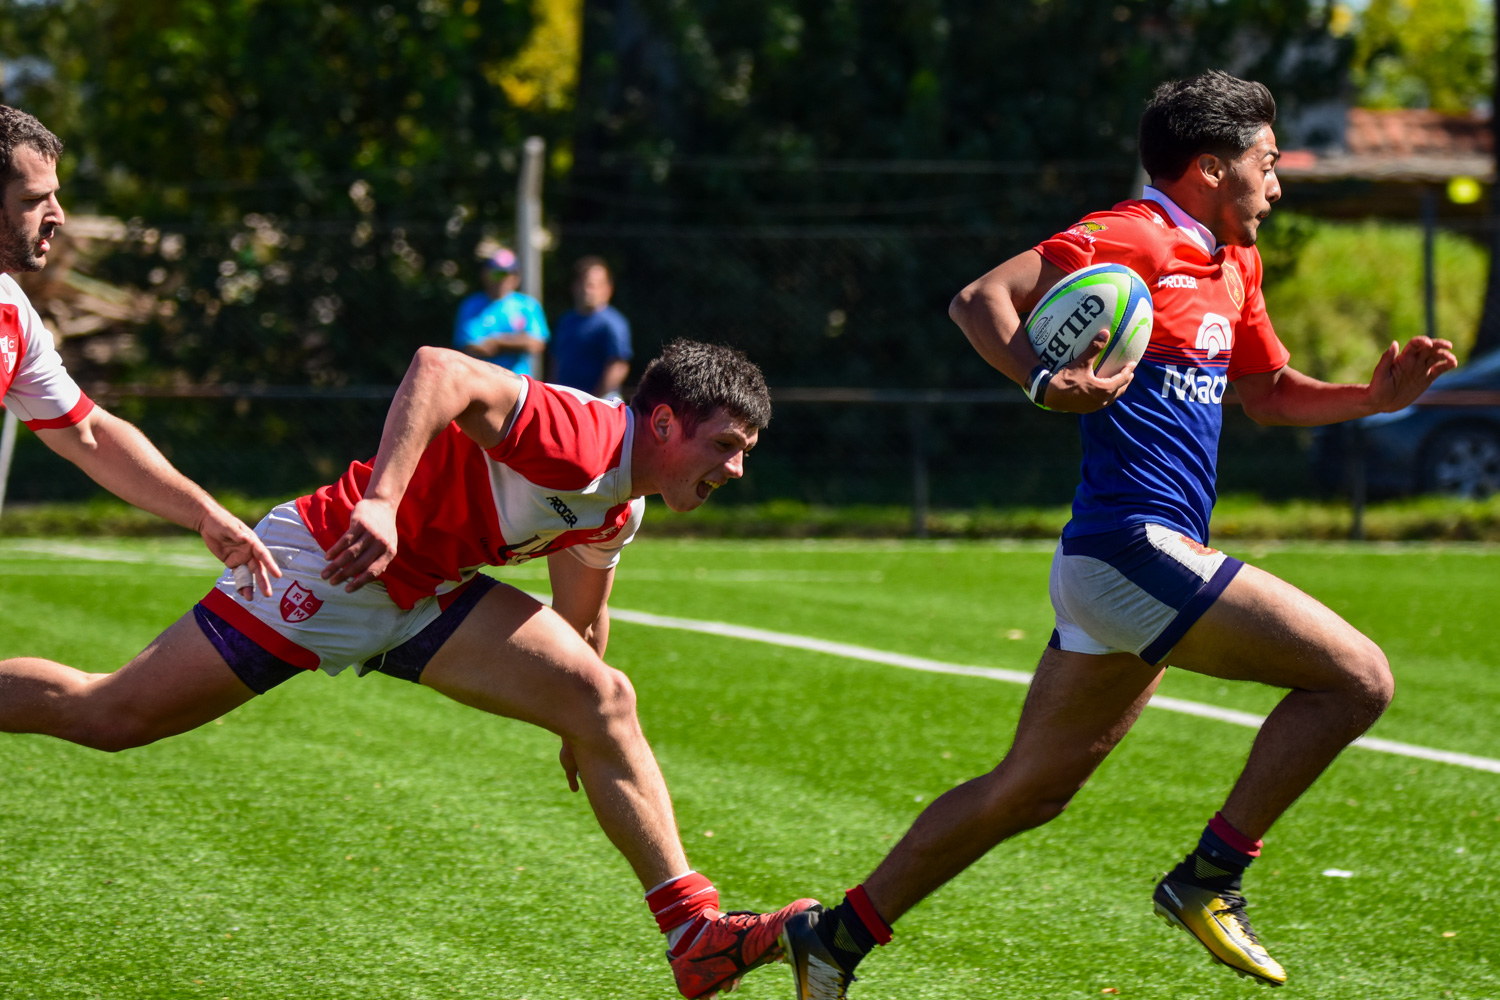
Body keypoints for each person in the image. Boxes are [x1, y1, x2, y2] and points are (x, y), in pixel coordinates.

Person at [778, 70, 1457, 997]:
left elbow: (1266, 392)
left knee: (1029, 790)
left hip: (1121, 565)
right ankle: (1210, 877)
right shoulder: (1133, 236)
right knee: (1359, 681)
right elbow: (981, 300)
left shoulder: (1232, 262)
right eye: (1268, 164)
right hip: (1131, 545)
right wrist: (1041, 378)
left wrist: (1370, 400)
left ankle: (835, 938)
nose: (1279, 183)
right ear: (1212, 168)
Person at [0, 337, 813, 999]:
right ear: (665, 424)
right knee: (107, 716)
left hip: (423, 597)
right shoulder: (586, 436)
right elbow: (440, 369)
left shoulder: (621, 503)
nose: (736, 469)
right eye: (726, 446)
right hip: (327, 567)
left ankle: (695, 936)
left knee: (607, 698)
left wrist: (579, 721)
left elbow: (582, 615)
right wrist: (382, 501)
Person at [0, 103, 277, 598]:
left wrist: (203, 513)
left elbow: (87, 434)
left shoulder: (12, 310)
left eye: (55, 196)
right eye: (33, 198)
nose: (57, 216)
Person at [452, 247, 549, 377]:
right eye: (496, 273)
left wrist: (497, 342)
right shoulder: (471, 305)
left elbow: (536, 344)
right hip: (481, 381)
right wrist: (517, 342)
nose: (501, 279)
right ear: (485, 274)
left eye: (507, 274)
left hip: (518, 384)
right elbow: (469, 347)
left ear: (516, 277)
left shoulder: (527, 305)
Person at [551, 255, 633, 399]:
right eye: (584, 284)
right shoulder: (565, 321)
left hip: (600, 405)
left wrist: (593, 401)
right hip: (566, 402)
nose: (588, 290)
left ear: (608, 289)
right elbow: (556, 361)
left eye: (594, 285)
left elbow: (618, 366)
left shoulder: (612, 323)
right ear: (574, 287)